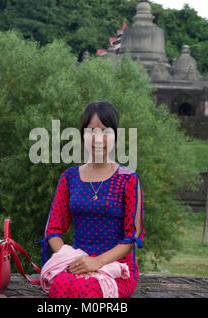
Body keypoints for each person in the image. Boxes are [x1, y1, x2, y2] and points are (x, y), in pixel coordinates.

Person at [36, 100, 144, 298]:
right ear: (82, 135)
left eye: (105, 132)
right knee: (60, 286)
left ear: (116, 135)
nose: (98, 139)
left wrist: (97, 262)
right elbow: (53, 230)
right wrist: (74, 261)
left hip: (117, 267)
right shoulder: (69, 177)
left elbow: (131, 237)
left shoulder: (129, 180)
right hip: (75, 264)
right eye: (92, 131)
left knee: (85, 291)